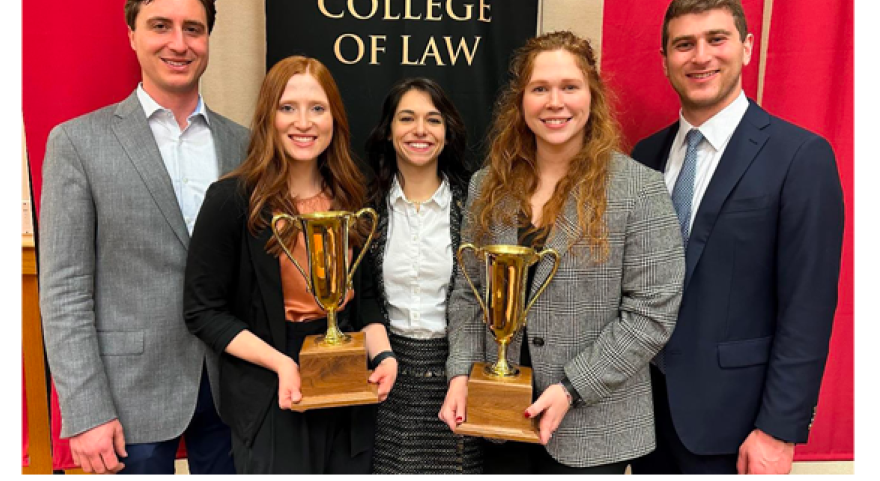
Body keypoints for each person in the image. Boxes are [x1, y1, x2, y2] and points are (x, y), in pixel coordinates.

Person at [439, 31, 685, 473]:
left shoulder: (639, 189)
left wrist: (572, 387)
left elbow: (652, 314)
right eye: (540, 89)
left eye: (570, 87)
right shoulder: (486, 186)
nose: (556, 102)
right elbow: (468, 293)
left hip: (592, 427)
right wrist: (460, 372)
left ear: (592, 95)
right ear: (521, 102)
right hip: (499, 418)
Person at [629, 0, 845, 475]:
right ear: (665, 60)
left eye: (717, 39)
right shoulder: (644, 156)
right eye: (684, 44)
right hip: (642, 418)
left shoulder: (800, 157)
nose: (700, 56)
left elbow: (807, 307)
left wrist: (778, 430)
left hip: (736, 427)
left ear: (746, 47)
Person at [38, 0, 247, 474]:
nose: (179, 43)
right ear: (131, 34)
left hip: (233, 391)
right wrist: (86, 412)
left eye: (193, 29)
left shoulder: (242, 144)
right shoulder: (77, 143)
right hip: (129, 400)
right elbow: (64, 290)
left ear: (207, 40)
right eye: (160, 26)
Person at [183, 55, 397, 474]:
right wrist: (282, 364)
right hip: (272, 400)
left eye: (317, 108)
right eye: (288, 108)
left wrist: (383, 355)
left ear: (334, 118)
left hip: (347, 397)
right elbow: (202, 311)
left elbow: (366, 298)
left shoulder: (353, 196)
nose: (304, 122)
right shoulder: (230, 200)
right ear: (268, 117)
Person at [361, 78, 483, 473]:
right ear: (388, 131)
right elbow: (360, 297)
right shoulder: (364, 208)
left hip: (459, 379)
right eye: (407, 118)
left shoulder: (476, 205)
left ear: (447, 133)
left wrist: (461, 372)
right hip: (384, 378)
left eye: (433, 119)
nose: (419, 130)